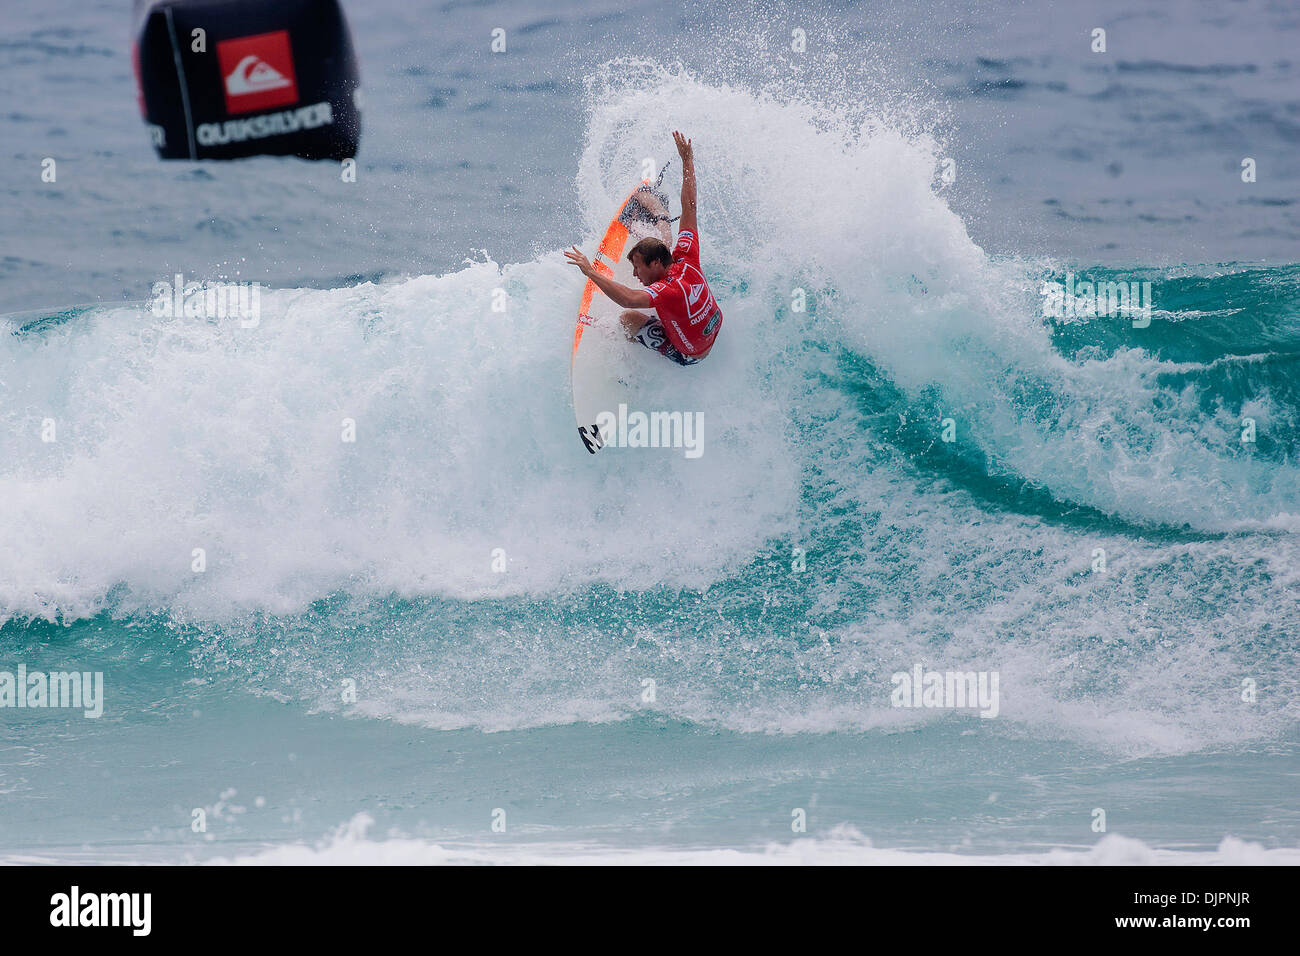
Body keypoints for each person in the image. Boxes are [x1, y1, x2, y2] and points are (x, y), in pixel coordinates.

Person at [564, 131, 722, 366]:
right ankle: (659, 216)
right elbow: (690, 207)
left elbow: (628, 300)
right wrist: (687, 161)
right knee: (666, 247)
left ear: (656, 263)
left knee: (627, 319)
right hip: (711, 328)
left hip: (691, 354)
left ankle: (626, 368)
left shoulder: (666, 291)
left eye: (637, 268)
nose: (635, 275)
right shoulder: (686, 256)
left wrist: (590, 272)